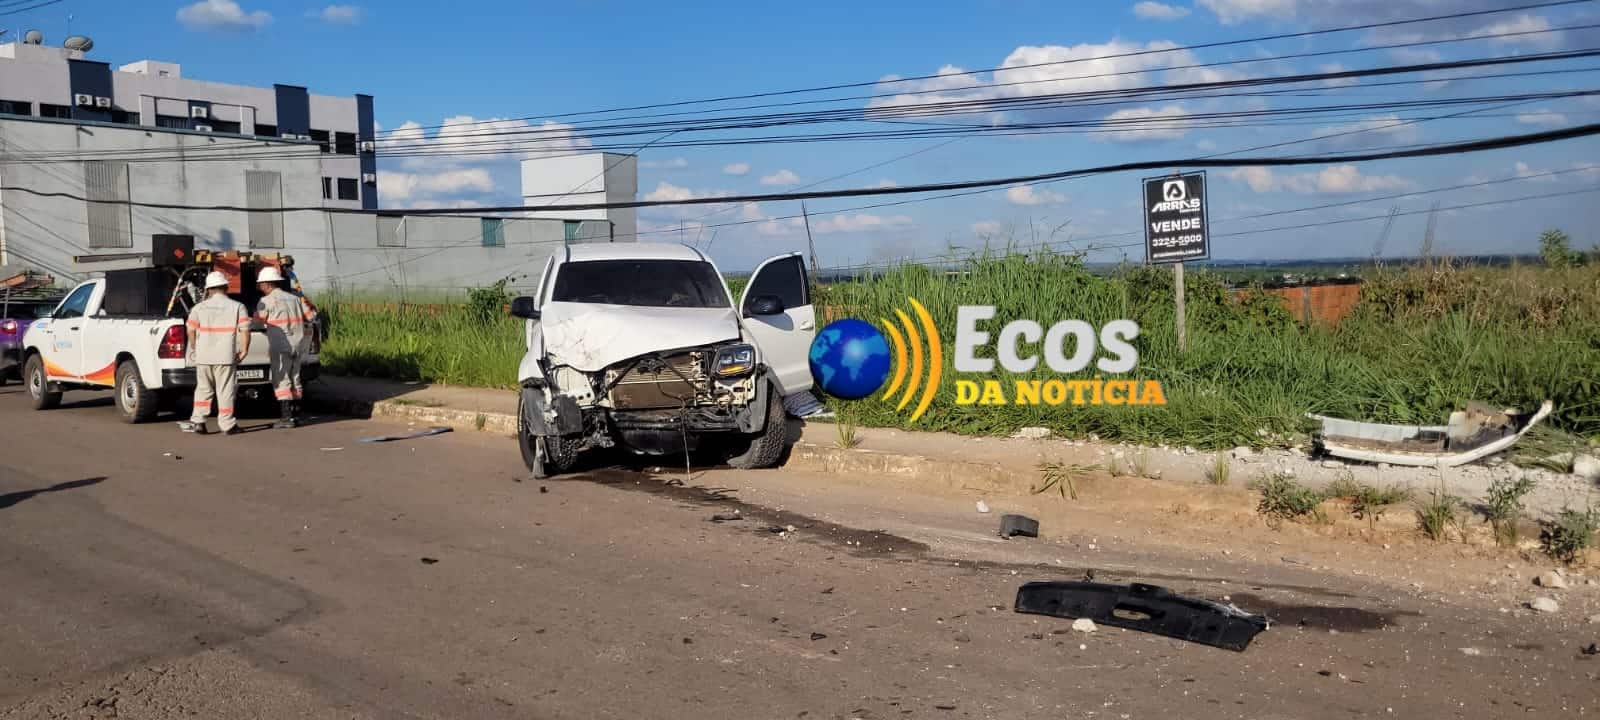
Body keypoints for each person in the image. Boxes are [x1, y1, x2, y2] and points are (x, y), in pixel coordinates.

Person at [182, 271, 250, 435]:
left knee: (203, 389)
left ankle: (199, 422)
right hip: (225, 356)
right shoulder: (237, 307)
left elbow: (190, 330)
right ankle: (227, 425)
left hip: (204, 356)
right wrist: (244, 350)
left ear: (209, 289)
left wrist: (195, 347)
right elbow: (245, 331)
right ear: (226, 287)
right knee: (225, 390)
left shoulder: (198, 308)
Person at [255, 265, 309, 428]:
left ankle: (286, 418)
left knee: (282, 379)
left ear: (267, 284)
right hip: (297, 344)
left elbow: (257, 323)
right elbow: (309, 316)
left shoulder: (265, 301)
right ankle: (296, 415)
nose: (260, 288)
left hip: (280, 345)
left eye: (261, 285)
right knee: (295, 378)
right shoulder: (294, 298)